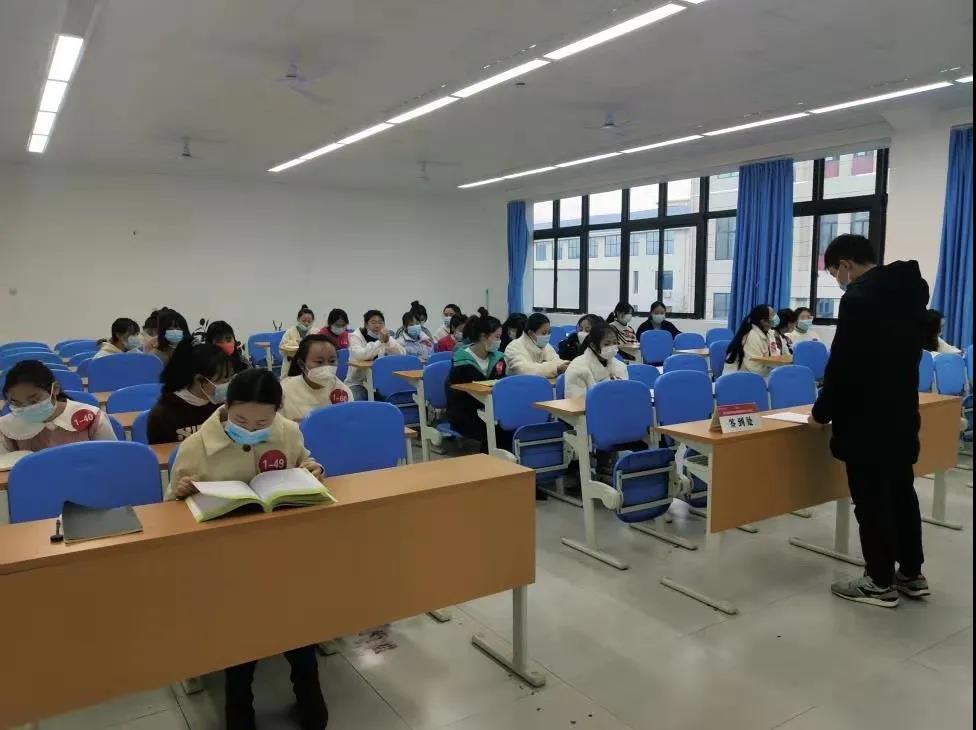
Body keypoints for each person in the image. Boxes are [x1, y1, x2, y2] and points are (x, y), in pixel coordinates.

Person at [167, 369, 328, 728]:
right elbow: (170, 511)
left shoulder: (288, 432)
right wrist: (180, 493)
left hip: (282, 550)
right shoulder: (196, 446)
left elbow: (304, 460)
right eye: (240, 421)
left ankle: (308, 692)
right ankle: (239, 704)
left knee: (297, 623)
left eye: (262, 422)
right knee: (242, 634)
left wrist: (313, 468)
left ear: (277, 412)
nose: (252, 429)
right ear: (226, 407)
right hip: (225, 560)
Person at [809, 234, 929, 608]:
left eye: (835, 273)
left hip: (865, 419)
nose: (838, 280)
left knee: (872, 501)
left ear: (846, 264)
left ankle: (878, 582)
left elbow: (844, 365)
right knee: (902, 494)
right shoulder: (909, 292)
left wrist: (821, 412)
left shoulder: (859, 298)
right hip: (902, 412)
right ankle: (911, 573)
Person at [1, 360, 116, 454]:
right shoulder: (6, 427)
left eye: (34, 400)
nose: (27, 408)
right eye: (17, 403)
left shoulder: (90, 417)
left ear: (55, 389)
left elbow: (111, 456)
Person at [446, 311, 511, 453]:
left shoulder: (498, 358)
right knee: (495, 429)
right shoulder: (462, 361)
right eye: (497, 337)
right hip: (465, 414)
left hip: (491, 409)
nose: (499, 341)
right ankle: (489, 462)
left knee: (510, 425)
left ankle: (507, 462)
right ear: (483, 336)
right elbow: (459, 395)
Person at [146, 343, 234, 444]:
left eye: (230, 378)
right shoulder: (163, 415)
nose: (228, 385)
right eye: (223, 380)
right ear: (199, 379)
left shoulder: (224, 407)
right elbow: (161, 452)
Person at [281, 334, 353, 420]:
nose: (327, 367)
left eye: (332, 361)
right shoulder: (285, 390)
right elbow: (275, 423)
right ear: (301, 364)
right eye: (319, 362)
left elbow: (348, 422)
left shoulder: (342, 391)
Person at [347, 310, 405, 400]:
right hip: (358, 383)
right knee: (358, 401)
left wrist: (388, 342)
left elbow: (402, 353)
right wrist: (380, 342)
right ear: (366, 325)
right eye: (373, 322)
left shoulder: (385, 337)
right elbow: (361, 355)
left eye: (380, 322)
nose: (377, 326)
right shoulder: (356, 337)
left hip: (380, 382)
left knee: (393, 399)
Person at [563, 321, 629, 399]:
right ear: (593, 346)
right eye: (606, 344)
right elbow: (576, 400)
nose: (612, 347)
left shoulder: (620, 366)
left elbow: (625, 395)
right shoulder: (578, 368)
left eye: (615, 343)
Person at [504, 312, 569, 377]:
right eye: (544, 333)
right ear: (531, 333)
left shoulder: (545, 345)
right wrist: (556, 369)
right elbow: (525, 370)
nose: (547, 336)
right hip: (519, 383)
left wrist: (567, 365)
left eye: (549, 332)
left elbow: (556, 361)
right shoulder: (513, 347)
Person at [724, 305, 776, 377]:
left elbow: (774, 355)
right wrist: (773, 373)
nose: (776, 317)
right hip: (738, 378)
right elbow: (755, 368)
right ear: (763, 321)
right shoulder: (752, 336)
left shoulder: (768, 333)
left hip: (756, 375)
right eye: (773, 315)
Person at [279, 305, 315, 375]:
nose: (306, 323)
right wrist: (296, 343)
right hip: (290, 366)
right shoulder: (290, 332)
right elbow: (281, 349)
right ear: (298, 319)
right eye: (304, 321)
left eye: (309, 321)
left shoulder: (315, 332)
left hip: (308, 367)